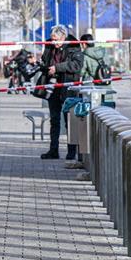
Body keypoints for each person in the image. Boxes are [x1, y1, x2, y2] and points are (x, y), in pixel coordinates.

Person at [38, 25, 83, 160]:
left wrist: (57, 68)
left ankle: (71, 151)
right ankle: (53, 150)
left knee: (69, 121)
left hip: (68, 88)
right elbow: (45, 63)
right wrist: (42, 66)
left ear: (63, 37)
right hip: (53, 88)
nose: (54, 42)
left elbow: (76, 66)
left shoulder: (74, 46)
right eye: (52, 39)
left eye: (56, 39)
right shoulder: (49, 46)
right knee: (54, 120)